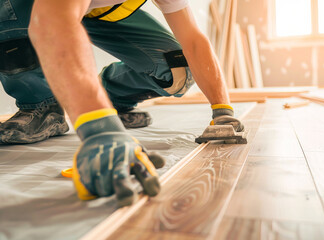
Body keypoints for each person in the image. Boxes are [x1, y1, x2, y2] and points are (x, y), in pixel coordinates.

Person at [0, 0, 244, 206]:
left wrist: (222, 110)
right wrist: (100, 130)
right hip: (31, 8)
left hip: (98, 14)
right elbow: (50, 22)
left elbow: (192, 40)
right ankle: (39, 104)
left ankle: (110, 96)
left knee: (179, 67)